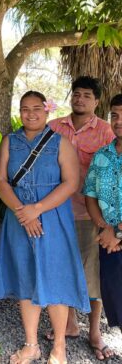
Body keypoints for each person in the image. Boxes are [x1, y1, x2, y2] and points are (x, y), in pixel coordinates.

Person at [0, 91, 90, 364]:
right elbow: (0, 180)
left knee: (56, 277)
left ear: (47, 111)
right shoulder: (9, 142)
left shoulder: (60, 143)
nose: (31, 113)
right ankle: (31, 344)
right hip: (19, 219)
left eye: (37, 108)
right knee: (25, 277)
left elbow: (71, 183)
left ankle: (59, 346)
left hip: (53, 219)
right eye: (25, 108)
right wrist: (22, 212)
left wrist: (36, 209)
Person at [49, 76, 115, 361]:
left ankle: (95, 332)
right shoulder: (53, 127)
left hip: (90, 214)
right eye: (76, 94)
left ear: (96, 101)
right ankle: (70, 324)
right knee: (62, 268)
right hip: (56, 212)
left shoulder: (106, 132)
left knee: (93, 274)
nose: (80, 99)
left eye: (87, 95)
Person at [84, 93, 122, 335]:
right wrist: (104, 228)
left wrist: (117, 232)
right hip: (109, 244)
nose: (119, 121)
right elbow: (90, 195)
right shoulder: (101, 156)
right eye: (114, 115)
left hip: (114, 238)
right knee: (117, 302)